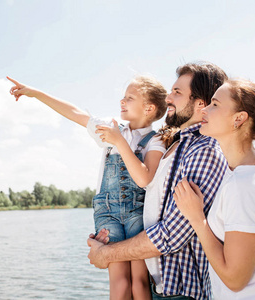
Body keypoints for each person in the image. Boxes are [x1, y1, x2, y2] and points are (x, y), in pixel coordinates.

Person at [7, 75, 168, 300]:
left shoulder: (156, 141)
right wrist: (36, 93)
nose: (122, 101)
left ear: (149, 108)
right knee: (120, 282)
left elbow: (144, 179)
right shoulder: (112, 128)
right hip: (108, 212)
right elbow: (77, 114)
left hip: (137, 213)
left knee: (139, 282)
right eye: (123, 97)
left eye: (129, 98)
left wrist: (119, 142)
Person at [87, 62, 229, 299]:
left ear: (200, 104)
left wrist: (108, 253)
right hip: (159, 289)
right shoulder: (177, 145)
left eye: (177, 92)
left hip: (180, 294)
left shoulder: (204, 150)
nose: (168, 97)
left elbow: (172, 233)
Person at [173, 79, 255, 299]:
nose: (204, 109)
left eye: (215, 104)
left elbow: (235, 279)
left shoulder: (244, 186)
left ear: (239, 119)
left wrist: (197, 219)